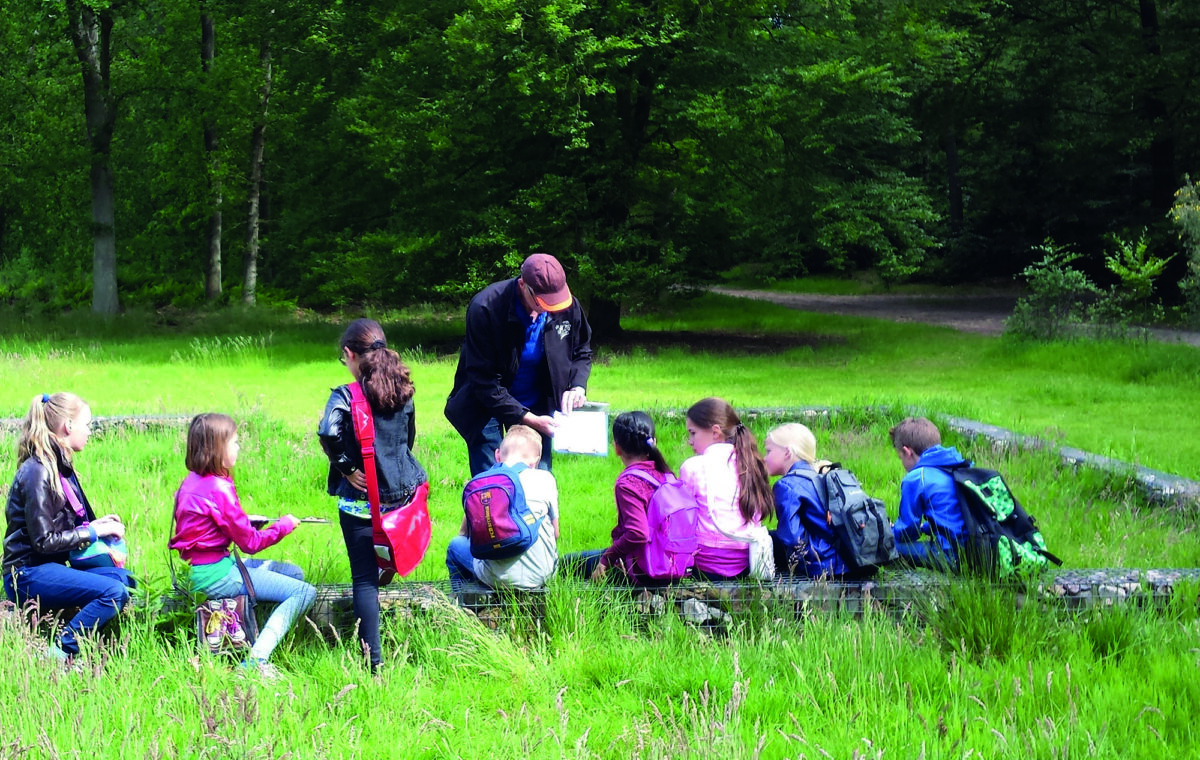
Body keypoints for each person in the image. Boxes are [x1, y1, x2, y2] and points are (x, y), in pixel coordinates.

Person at [318, 318, 428, 672]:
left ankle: (374, 665)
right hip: (401, 503)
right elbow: (407, 441)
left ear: (350, 354)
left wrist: (349, 468)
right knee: (386, 559)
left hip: (361, 507)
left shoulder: (345, 395)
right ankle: (389, 563)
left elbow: (328, 431)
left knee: (363, 581)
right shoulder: (403, 390)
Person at [170, 413, 316, 675]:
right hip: (217, 575)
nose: (238, 447)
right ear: (216, 448)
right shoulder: (219, 488)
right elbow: (250, 543)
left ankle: (253, 634)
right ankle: (255, 661)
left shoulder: (191, 481)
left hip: (201, 569)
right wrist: (282, 526)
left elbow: (207, 526)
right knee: (305, 592)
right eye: (234, 442)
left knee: (294, 574)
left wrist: (246, 521)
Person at [3, 393, 135, 663]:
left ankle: (76, 632)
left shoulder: (60, 466)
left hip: (50, 567)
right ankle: (61, 653)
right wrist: (93, 532)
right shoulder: (37, 471)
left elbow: (67, 525)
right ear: (68, 426)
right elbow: (44, 542)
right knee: (113, 592)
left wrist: (96, 525)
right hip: (26, 574)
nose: (90, 431)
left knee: (125, 581)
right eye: (87, 424)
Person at [444, 253, 593, 476]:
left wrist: (577, 385)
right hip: (485, 407)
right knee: (493, 485)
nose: (551, 309)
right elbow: (483, 381)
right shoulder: (485, 308)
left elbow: (582, 350)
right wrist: (527, 419)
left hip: (539, 405)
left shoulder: (565, 305)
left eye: (555, 303)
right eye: (542, 303)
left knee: (536, 482)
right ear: (523, 285)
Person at [561, 411, 673, 584]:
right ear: (654, 442)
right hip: (672, 562)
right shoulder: (666, 475)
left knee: (565, 564)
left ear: (616, 447)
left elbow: (638, 533)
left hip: (645, 566)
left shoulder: (629, 482)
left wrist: (607, 559)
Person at [446, 426, 559, 591]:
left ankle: (463, 601)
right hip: (541, 574)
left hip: (493, 578)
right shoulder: (546, 479)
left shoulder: (481, 485)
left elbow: (464, 534)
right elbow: (556, 534)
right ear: (535, 461)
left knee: (455, 545)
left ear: (497, 455)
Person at [680, 398, 773, 581]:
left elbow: (684, 519)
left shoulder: (693, 467)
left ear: (715, 432)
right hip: (749, 559)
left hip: (706, 562)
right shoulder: (751, 461)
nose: (690, 441)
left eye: (692, 433)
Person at [763, 423, 849, 578]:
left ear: (787, 452)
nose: (764, 457)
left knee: (765, 539)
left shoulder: (786, 485)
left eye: (769, 451)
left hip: (821, 564)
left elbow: (791, 537)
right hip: (842, 558)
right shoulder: (817, 476)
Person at [889, 416, 968, 572]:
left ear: (907, 452)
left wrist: (889, 532)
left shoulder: (917, 477)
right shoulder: (956, 464)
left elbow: (907, 532)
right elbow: (951, 515)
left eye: (900, 457)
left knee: (888, 547)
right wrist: (925, 528)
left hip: (952, 557)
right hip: (977, 551)